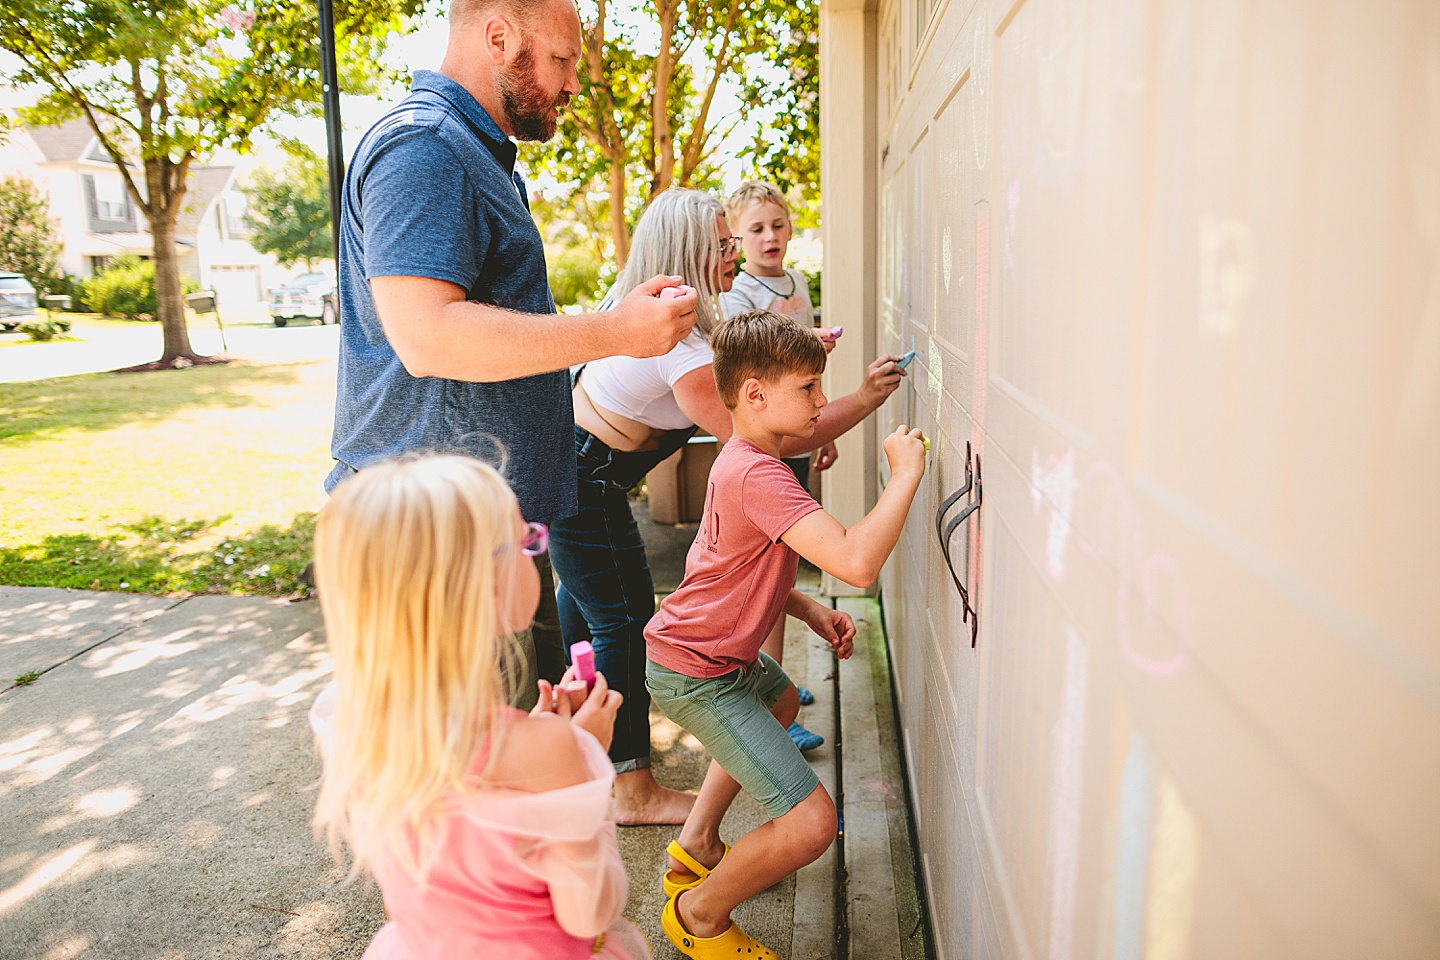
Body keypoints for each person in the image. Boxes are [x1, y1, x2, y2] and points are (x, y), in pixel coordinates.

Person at [327, 0, 697, 708]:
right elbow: (427, 335)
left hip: (491, 535)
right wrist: (617, 331)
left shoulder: (473, 153)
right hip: (437, 547)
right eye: (561, 60)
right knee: (469, 792)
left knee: (526, 762)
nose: (572, 85)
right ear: (498, 37)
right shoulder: (425, 147)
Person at [548, 188, 906, 825]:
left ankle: (582, 762)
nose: (734, 254)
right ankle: (632, 792)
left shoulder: (667, 319)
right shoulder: (679, 350)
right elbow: (777, 435)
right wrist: (861, 399)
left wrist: (793, 356)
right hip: (584, 479)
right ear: (688, 251)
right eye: (721, 245)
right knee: (624, 623)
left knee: (590, 619)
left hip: (584, 467)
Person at [644, 312, 928, 958]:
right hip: (699, 670)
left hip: (711, 653)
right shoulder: (759, 476)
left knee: (780, 700)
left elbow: (735, 569)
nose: (821, 402)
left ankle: (696, 846)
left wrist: (806, 612)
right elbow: (854, 561)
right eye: (809, 388)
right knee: (811, 824)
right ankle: (699, 913)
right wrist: (906, 474)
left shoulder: (744, 456)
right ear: (755, 394)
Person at [309, 455, 650, 960]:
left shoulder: (350, 717)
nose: (537, 547)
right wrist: (585, 762)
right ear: (486, 586)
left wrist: (538, 743)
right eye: (527, 540)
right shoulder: (549, 749)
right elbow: (590, 913)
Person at [720, 180, 829, 751]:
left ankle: (776, 679)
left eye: (778, 225)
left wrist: (820, 425)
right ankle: (769, 707)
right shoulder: (738, 295)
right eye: (756, 229)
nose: (770, 237)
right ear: (736, 239)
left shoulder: (800, 283)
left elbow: (807, 369)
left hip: (796, 439)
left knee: (784, 568)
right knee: (765, 574)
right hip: (765, 449)